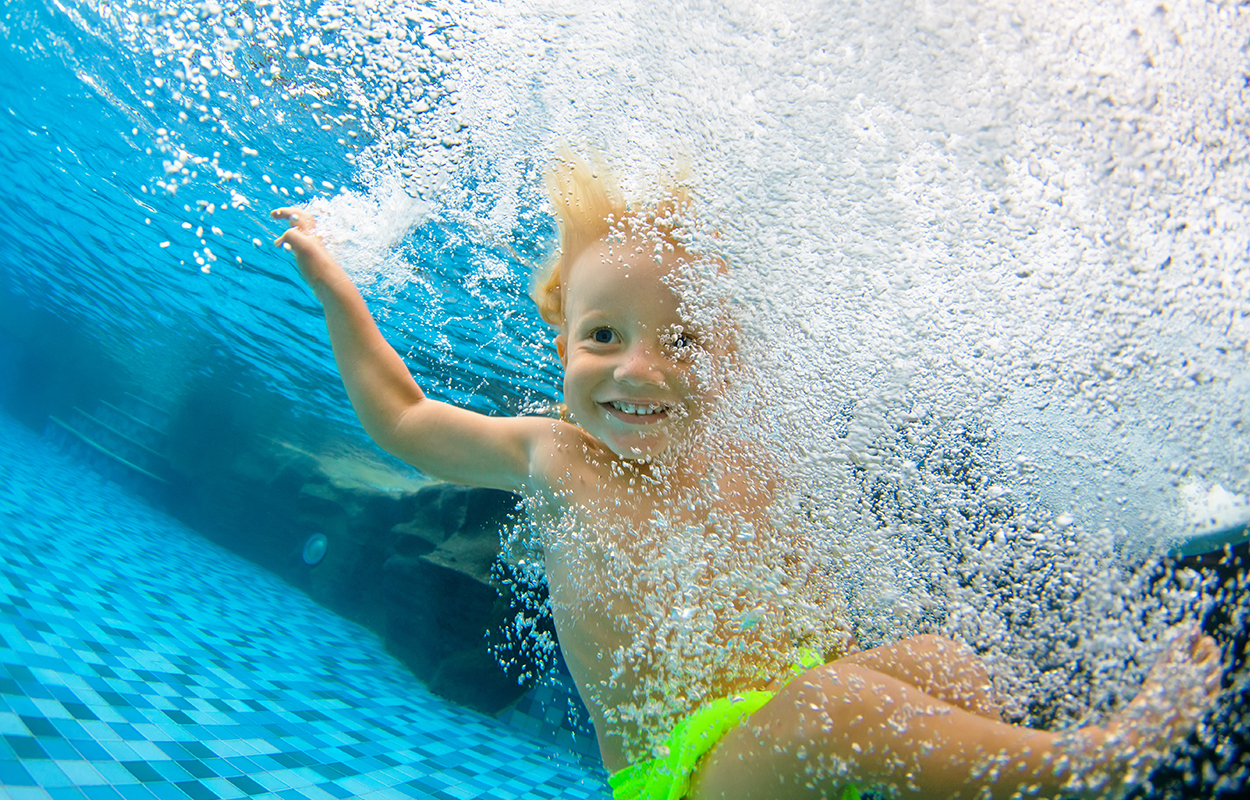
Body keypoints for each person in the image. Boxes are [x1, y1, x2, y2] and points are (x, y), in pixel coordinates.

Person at [271, 154, 1222, 800]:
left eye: (680, 341)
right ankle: (1090, 767)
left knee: (947, 663)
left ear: (726, 361)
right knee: (840, 708)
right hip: (686, 778)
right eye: (604, 337)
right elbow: (401, 418)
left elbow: (814, 618)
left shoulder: (751, 456)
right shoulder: (549, 456)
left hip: (798, 738)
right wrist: (336, 286)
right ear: (561, 345)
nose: (637, 368)